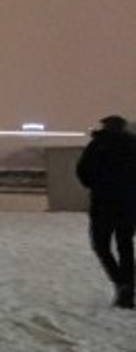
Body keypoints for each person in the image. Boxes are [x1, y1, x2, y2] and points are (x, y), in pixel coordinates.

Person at [76, 115, 136, 309]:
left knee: (101, 245)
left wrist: (97, 185)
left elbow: (82, 171)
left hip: (102, 204)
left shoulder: (97, 145)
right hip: (128, 204)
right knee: (125, 245)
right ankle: (127, 286)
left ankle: (120, 282)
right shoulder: (132, 145)